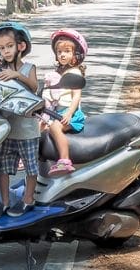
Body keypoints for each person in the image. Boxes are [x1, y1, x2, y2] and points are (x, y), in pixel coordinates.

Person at [0, 21, 40, 218]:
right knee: (3, 167)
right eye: (2, 48)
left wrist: (16, 75)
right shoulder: (0, 69)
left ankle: (28, 199)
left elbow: (33, 87)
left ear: (21, 46)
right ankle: (5, 201)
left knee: (30, 167)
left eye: (10, 46)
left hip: (27, 129)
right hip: (7, 128)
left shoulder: (29, 68)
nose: (6, 51)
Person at [41, 28, 88, 176]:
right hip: (57, 112)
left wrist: (68, 113)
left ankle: (65, 160)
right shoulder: (60, 73)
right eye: (59, 51)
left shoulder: (74, 73)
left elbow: (76, 96)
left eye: (67, 51)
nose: (62, 54)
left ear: (76, 56)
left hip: (71, 114)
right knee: (40, 127)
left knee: (55, 128)